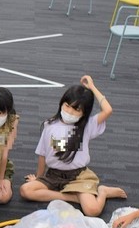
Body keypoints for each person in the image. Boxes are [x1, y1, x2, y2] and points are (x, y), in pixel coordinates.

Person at [20, 76, 126, 216]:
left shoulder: (87, 125)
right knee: (25, 190)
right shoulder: (49, 125)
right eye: (67, 105)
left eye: (76, 109)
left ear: (84, 113)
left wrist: (92, 87)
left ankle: (103, 191)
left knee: (92, 210)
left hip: (78, 176)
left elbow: (108, 110)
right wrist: (39, 178)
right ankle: (72, 198)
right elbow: (42, 154)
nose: (69, 112)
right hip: (53, 175)